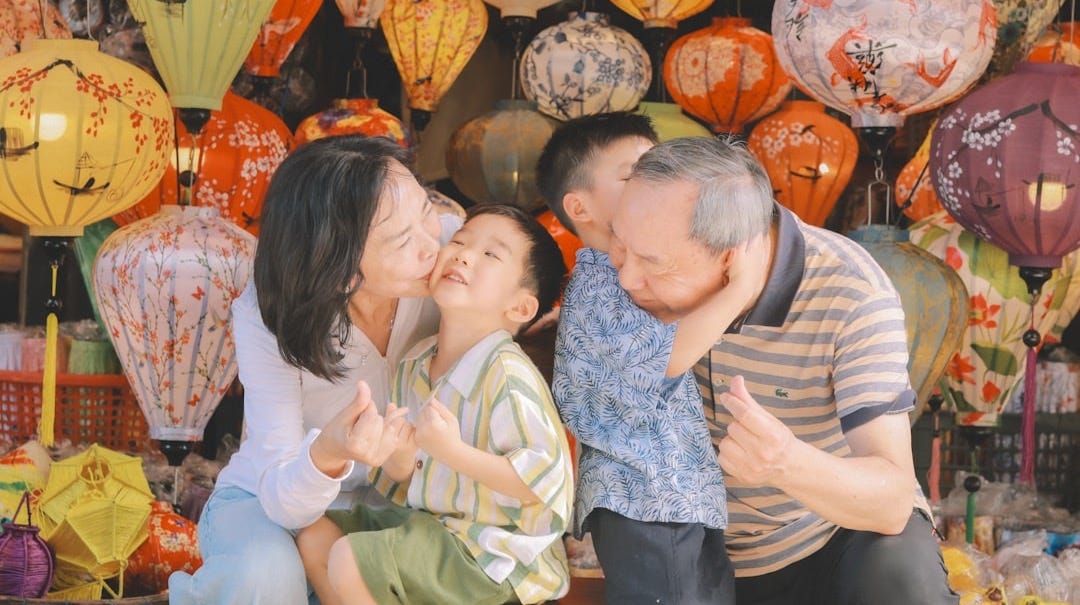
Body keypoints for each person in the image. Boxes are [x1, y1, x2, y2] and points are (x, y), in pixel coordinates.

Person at [607, 135, 956, 605]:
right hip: (696, 548)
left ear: (730, 256)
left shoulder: (851, 293)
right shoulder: (625, 275)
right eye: (619, 243)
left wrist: (786, 462)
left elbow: (892, 499)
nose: (627, 277)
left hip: (824, 534)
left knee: (899, 575)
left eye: (652, 263)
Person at [168, 135, 464, 604]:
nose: (435, 244)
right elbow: (282, 496)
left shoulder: (453, 249)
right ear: (342, 273)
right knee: (264, 574)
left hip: (401, 505)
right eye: (405, 240)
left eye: (427, 210)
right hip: (274, 503)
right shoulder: (272, 315)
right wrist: (328, 451)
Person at [295, 204, 574, 605]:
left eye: (490, 254)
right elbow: (406, 482)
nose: (462, 254)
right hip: (434, 530)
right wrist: (401, 459)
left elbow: (543, 481)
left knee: (352, 560)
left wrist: (452, 452)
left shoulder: (508, 374)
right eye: (459, 241)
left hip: (495, 553)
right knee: (316, 534)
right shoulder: (414, 364)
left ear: (521, 308)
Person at [540, 112, 762, 604]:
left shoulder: (632, 274)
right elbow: (662, 359)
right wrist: (740, 288)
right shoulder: (601, 278)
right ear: (580, 207)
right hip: (641, 493)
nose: (653, 179)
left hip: (673, 492)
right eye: (634, 172)